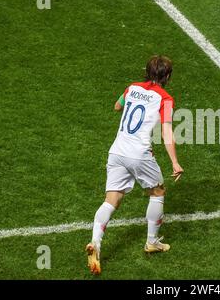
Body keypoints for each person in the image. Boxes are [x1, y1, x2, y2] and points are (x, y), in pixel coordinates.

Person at [85, 55, 183, 275]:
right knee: (157, 191)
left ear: (146, 72)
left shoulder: (131, 88)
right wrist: (175, 162)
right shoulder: (165, 99)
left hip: (117, 151)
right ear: (167, 76)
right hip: (139, 153)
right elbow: (167, 132)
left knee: (112, 199)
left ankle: (96, 243)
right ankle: (152, 242)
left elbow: (117, 106)